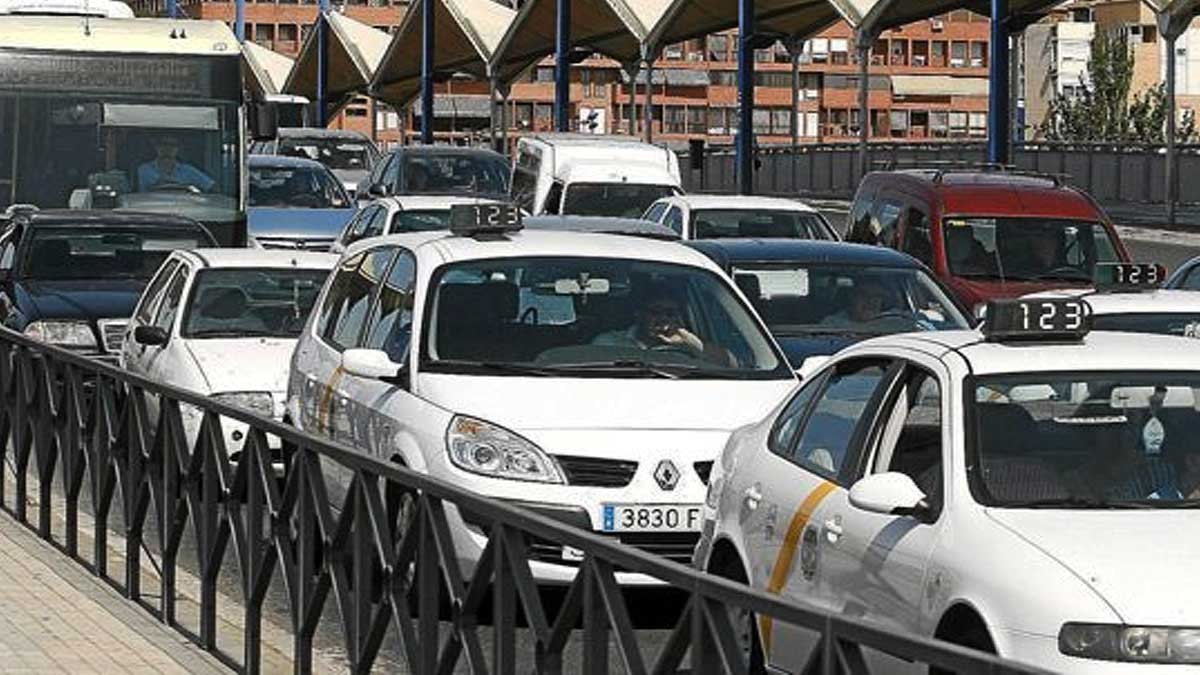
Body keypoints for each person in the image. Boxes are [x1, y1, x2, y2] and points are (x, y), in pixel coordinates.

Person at [592, 289, 732, 365]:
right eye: (655, 312)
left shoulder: (688, 346)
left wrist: (692, 344)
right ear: (639, 314)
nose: (663, 318)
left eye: (670, 313)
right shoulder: (609, 341)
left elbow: (731, 364)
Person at [137, 135, 215, 193]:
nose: (168, 148)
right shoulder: (144, 170)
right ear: (157, 147)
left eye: (172, 145)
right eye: (164, 144)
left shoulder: (188, 170)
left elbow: (212, 186)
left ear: (178, 149)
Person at [821, 278, 890, 326]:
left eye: (876, 296)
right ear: (853, 297)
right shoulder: (832, 325)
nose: (870, 301)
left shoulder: (893, 324)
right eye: (864, 295)